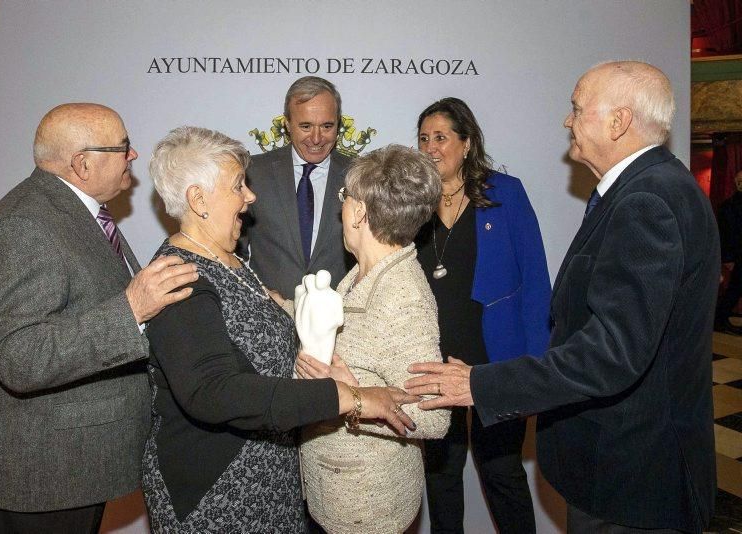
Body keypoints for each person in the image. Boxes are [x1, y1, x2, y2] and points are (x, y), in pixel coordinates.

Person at [406, 61, 718, 533]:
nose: (567, 121)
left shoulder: (646, 203)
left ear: (618, 122)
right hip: (618, 464)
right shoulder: (639, 191)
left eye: (576, 108)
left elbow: (611, 352)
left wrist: (484, 385)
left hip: (631, 474)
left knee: (502, 476)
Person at [143, 127, 419, 533]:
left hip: (270, 482)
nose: (250, 196)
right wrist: (349, 397)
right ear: (197, 200)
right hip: (219, 495)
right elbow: (213, 391)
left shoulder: (227, 259)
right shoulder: (178, 278)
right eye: (238, 185)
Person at [0, 103, 199, 533]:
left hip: (71, 472)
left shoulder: (77, 213)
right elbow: (21, 358)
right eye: (123, 146)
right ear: (82, 163)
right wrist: (131, 309)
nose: (133, 155)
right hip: (36, 480)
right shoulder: (22, 227)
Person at [294, 144, 451, 534]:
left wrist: (354, 398)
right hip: (339, 490)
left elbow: (435, 417)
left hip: (367, 505)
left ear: (360, 211)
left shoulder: (402, 296)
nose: (341, 207)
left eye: (344, 197)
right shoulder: (361, 274)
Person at [414, 97, 551, 534]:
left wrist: (535, 367)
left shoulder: (504, 194)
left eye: (441, 137)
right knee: (440, 477)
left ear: (467, 142)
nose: (431, 147)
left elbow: (535, 281)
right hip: (434, 361)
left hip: (496, 362)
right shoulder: (414, 203)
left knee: (502, 473)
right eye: (423, 138)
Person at [242, 75, 353, 299]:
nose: (316, 138)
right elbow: (230, 251)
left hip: (341, 321)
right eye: (305, 126)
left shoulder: (360, 175)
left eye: (327, 126)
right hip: (269, 317)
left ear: (338, 124)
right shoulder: (253, 172)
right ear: (287, 125)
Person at [715, 170, 742, 334]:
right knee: (734, 289)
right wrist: (728, 258)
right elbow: (726, 234)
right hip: (737, 255)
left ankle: (720, 319)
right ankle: (720, 319)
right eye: (739, 181)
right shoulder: (728, 206)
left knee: (735, 289)